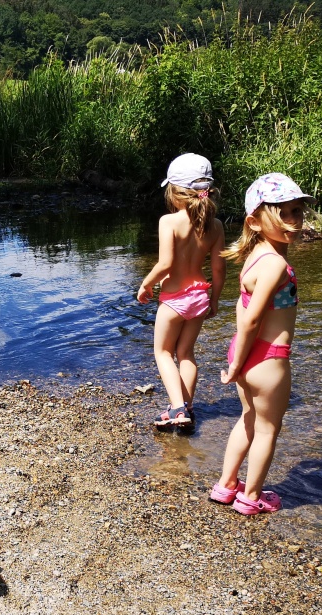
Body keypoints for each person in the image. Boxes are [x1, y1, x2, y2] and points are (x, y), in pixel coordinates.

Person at [210, 173, 314, 515]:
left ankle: (226, 485)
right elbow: (253, 319)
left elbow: (243, 311)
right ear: (254, 222)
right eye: (282, 214)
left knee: (249, 419)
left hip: (248, 351)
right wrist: (236, 364)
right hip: (268, 358)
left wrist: (238, 357)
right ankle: (251, 497)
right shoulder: (276, 265)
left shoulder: (255, 256)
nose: (293, 220)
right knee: (268, 429)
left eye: (297, 211)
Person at [137, 153, 226, 427]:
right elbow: (219, 269)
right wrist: (214, 300)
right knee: (186, 354)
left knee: (163, 352)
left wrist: (146, 284)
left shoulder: (169, 222)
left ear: (175, 193)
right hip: (200, 296)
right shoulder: (216, 225)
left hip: (174, 299)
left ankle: (177, 409)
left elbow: (165, 264)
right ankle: (186, 408)